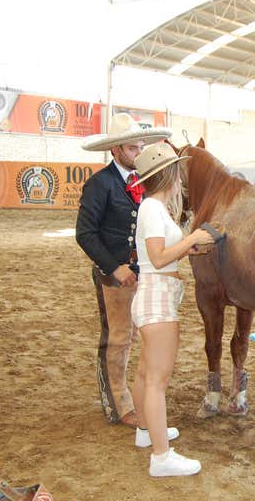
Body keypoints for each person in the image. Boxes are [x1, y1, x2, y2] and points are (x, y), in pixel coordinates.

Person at [76, 113, 172, 427]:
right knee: (118, 338)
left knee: (136, 335)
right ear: (116, 150)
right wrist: (114, 267)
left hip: (141, 271)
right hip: (114, 274)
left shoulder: (143, 184)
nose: (138, 153)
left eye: (140, 147)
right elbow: (85, 233)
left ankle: (138, 396)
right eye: (132, 149)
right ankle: (117, 403)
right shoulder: (100, 184)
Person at [129, 142, 214, 476]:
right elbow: (159, 257)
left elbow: (162, 253)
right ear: (168, 174)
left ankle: (146, 432)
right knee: (157, 380)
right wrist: (192, 240)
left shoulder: (155, 208)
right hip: (158, 297)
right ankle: (161, 457)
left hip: (155, 293)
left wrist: (187, 249)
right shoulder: (153, 208)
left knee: (146, 372)